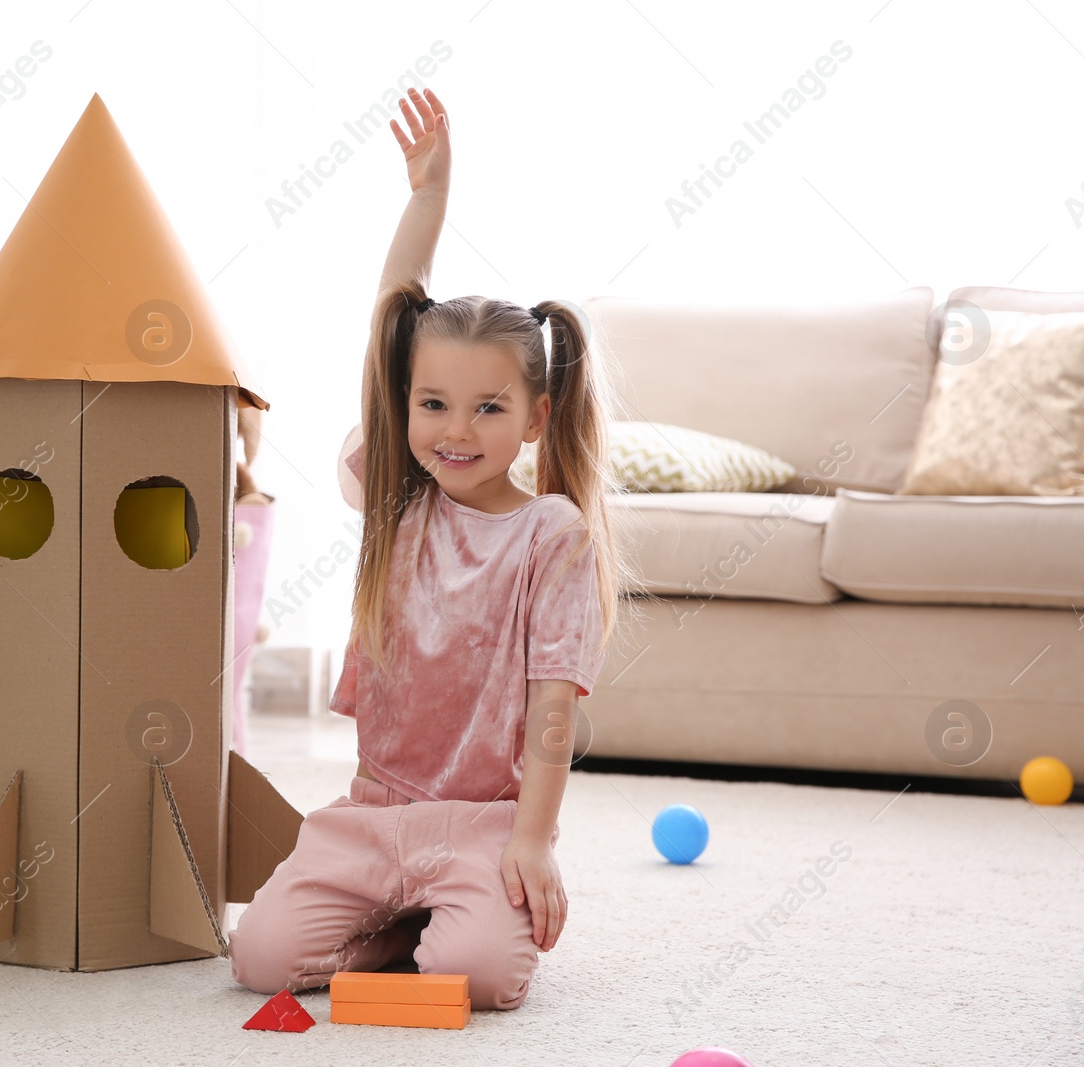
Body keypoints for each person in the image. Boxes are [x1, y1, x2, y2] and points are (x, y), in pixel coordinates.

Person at [228, 86, 640, 1012]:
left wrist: (532, 841)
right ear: (406, 406)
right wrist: (427, 202)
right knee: (258, 957)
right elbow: (388, 328)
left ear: (535, 418)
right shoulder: (397, 499)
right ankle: (398, 919)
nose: (456, 430)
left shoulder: (552, 533)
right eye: (434, 404)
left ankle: (447, 915)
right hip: (374, 812)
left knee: (481, 978)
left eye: (489, 408)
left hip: (486, 822)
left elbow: (550, 709)